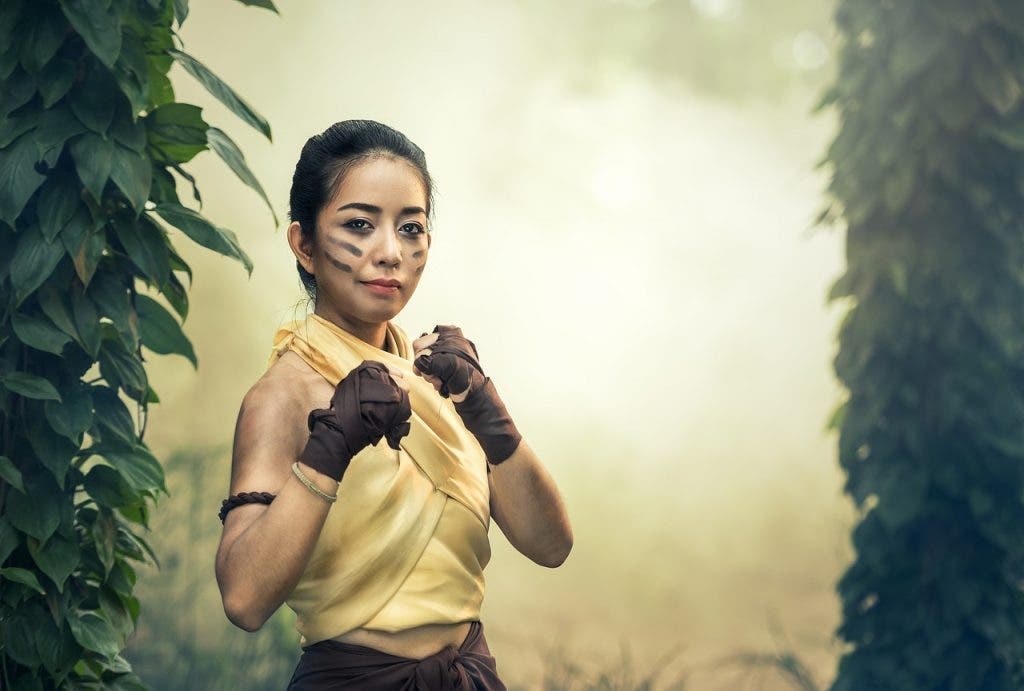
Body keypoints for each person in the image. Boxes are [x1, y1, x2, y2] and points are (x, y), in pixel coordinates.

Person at [214, 120, 573, 689]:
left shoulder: (436, 377)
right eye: (359, 225)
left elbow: (551, 545)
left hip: (467, 673)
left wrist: (484, 407)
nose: (391, 253)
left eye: (412, 228)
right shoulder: (283, 396)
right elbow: (244, 599)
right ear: (303, 245)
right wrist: (330, 445)